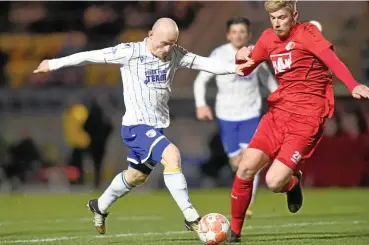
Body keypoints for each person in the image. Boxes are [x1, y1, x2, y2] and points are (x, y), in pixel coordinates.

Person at [33, 17, 246, 235]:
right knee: (171, 155)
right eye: (163, 43)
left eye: (172, 43)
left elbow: (204, 62)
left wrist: (233, 68)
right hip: (136, 127)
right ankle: (191, 216)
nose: (167, 49)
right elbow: (91, 56)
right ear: (150, 35)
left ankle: (100, 205)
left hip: (156, 127)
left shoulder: (175, 53)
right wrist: (53, 63)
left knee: (136, 176)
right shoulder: (130, 52)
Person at [229, 0, 369, 242]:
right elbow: (246, 70)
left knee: (274, 182)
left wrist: (353, 84)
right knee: (245, 168)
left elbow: (332, 61)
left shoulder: (309, 34)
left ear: (294, 15)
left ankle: (292, 184)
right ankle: (235, 233)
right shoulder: (267, 39)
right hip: (277, 115)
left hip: (307, 119)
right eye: (273, 18)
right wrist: (240, 58)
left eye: (282, 17)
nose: (277, 23)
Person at [193, 17, 277, 217]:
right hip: (226, 116)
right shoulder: (219, 55)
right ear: (228, 34)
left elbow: (269, 81)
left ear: (248, 35)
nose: (238, 35)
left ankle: (248, 202)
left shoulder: (255, 53)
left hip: (250, 114)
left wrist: (281, 102)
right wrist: (201, 104)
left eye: (242, 32)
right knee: (235, 163)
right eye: (234, 32)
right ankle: (244, 196)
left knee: (251, 159)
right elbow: (200, 81)